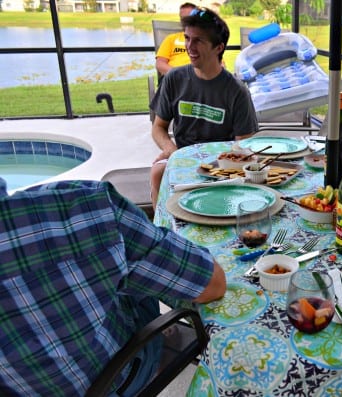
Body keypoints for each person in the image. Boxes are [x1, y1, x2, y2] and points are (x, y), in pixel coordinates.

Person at [0, 177, 226, 396]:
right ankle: (159, 346)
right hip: (113, 379)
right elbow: (211, 285)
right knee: (133, 273)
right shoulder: (83, 206)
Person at [149, 7, 258, 209]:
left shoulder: (236, 91)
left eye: (198, 40)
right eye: (187, 38)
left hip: (222, 166)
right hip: (181, 157)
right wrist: (171, 150)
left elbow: (245, 144)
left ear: (218, 48)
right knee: (157, 173)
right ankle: (162, 232)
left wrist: (224, 164)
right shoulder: (174, 79)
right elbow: (158, 127)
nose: (189, 46)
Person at [155, 2, 196, 79]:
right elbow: (160, 64)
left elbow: (219, 64)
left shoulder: (206, 40)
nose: (185, 21)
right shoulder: (171, 39)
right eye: (182, 18)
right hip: (174, 79)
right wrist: (179, 75)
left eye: (189, 17)